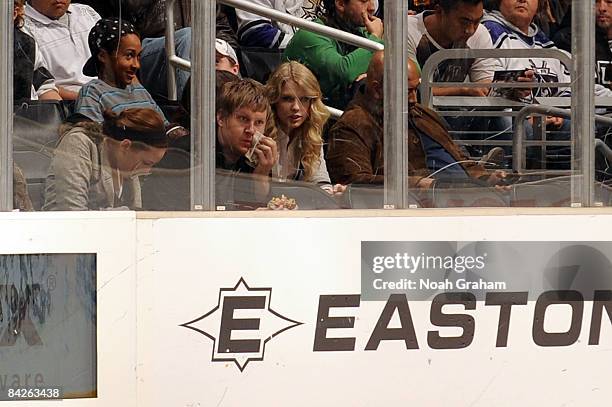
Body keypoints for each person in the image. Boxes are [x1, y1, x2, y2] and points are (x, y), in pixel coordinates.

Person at [327, 52, 508, 188]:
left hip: (462, 197)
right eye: (407, 91)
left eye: (416, 89)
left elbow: (458, 157)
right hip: (416, 209)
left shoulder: (423, 114)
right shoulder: (353, 125)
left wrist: (486, 178)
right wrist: (417, 184)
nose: (414, 98)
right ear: (377, 90)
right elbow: (352, 183)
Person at [43, 108, 168, 211]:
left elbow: (137, 217)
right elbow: (72, 212)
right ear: (125, 146)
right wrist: (125, 214)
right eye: (146, 163)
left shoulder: (128, 166)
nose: (147, 170)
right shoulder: (78, 143)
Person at [284, 0, 384, 110]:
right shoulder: (311, 33)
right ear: (341, 3)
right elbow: (344, 72)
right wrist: (375, 39)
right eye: (364, 1)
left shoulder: (358, 29)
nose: (372, 8)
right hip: (302, 115)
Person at [266, 61, 345, 194]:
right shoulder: (260, 130)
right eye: (287, 99)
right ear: (274, 100)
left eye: (304, 99)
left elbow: (319, 179)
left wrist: (330, 193)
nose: (296, 107)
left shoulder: (311, 132)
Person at [74, 18, 168, 124]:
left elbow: (165, 126)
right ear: (103, 56)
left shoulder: (139, 90)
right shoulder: (93, 93)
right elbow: (92, 136)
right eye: (129, 55)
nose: (136, 65)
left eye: (138, 56)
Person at [408, 0, 499, 97]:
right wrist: (461, 91)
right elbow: (410, 90)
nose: (470, 30)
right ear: (439, 12)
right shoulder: (407, 31)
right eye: (464, 22)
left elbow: (484, 87)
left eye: (477, 22)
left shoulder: (480, 34)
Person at [216, 79, 278, 205]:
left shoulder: (253, 160)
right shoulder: (190, 154)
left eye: (259, 122)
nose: (251, 130)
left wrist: (261, 174)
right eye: (243, 119)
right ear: (221, 118)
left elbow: (257, 210)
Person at [24, 0, 100, 100]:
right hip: (65, 105)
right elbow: (41, 86)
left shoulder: (86, 12)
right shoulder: (22, 27)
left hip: (108, 94)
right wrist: (87, 100)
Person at [13, 0, 60, 101]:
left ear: (14, 13)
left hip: (24, 114)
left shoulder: (26, 44)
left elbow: (44, 87)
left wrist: (61, 113)